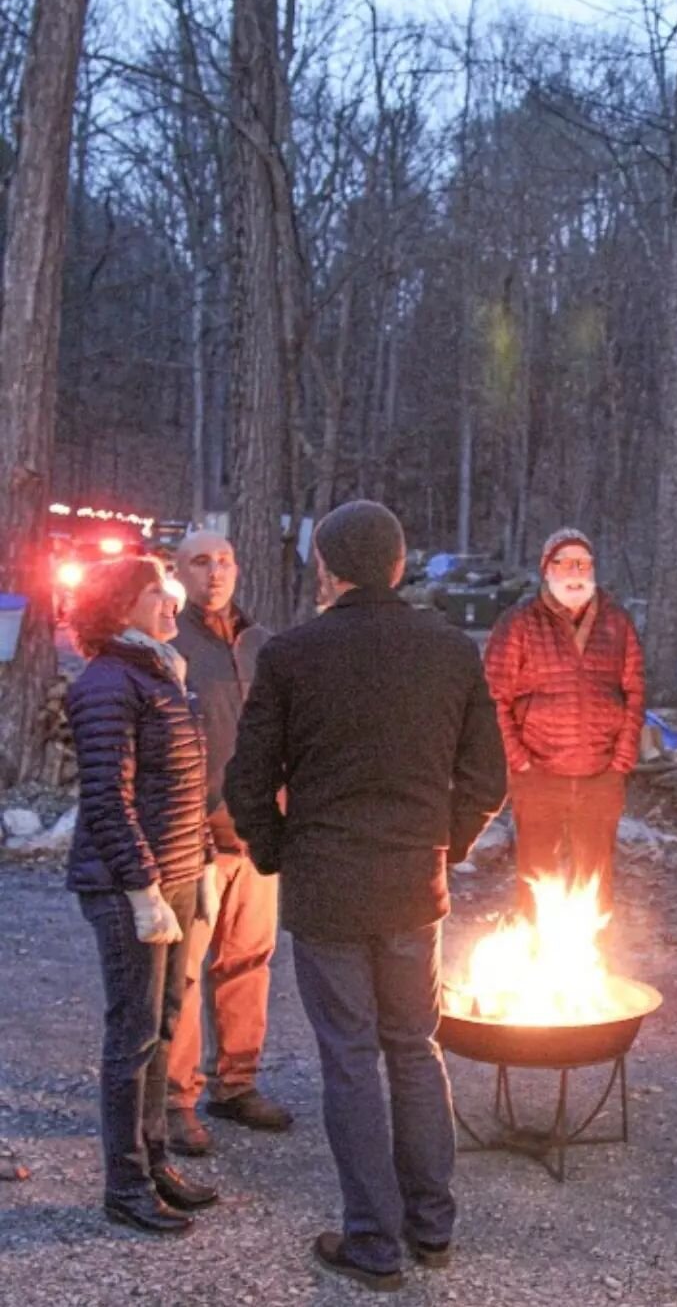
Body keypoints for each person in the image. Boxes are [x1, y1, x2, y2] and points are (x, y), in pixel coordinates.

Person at [224, 500, 506, 1292]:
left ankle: (375, 1242)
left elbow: (248, 778)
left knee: (351, 1059)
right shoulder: (448, 649)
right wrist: (441, 844)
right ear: (398, 563)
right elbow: (488, 778)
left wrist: (277, 851)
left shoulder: (292, 654)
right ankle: (430, 1226)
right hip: (413, 883)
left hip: (328, 889)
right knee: (415, 1049)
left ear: (328, 569)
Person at [66, 557, 219, 1235]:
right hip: (131, 885)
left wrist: (204, 862)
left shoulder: (160, 672)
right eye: (157, 589)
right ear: (121, 604)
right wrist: (142, 888)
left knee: (162, 1027)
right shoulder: (107, 682)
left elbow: (184, 788)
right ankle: (123, 1185)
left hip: (177, 874)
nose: (172, 599)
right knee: (131, 1036)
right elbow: (108, 796)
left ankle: (154, 1161)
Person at [166, 531, 291, 1156]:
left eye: (224, 561)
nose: (214, 573)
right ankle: (175, 1098)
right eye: (200, 562)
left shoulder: (262, 644)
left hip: (258, 833)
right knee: (184, 974)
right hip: (194, 837)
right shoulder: (170, 644)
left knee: (248, 962)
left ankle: (235, 1084)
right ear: (177, 572)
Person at [483, 527, 645, 917]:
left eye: (584, 563)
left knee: (596, 882)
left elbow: (635, 690)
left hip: (601, 774)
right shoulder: (520, 623)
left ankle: (592, 967)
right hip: (538, 774)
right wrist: (518, 759)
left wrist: (622, 757)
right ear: (547, 569)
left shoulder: (615, 621)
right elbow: (493, 696)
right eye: (566, 562)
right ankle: (536, 962)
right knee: (537, 880)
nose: (576, 571)